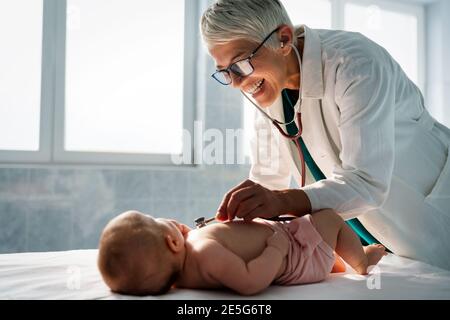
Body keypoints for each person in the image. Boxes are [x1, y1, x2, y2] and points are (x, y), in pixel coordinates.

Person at [201, 0, 450, 270]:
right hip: (378, 240)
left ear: (283, 39)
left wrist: (282, 201)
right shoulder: (267, 93)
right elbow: (267, 182)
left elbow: (367, 182)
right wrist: (242, 217)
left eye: (241, 64)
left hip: (431, 211)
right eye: (226, 72)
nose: (237, 83)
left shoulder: (355, 63)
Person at [97, 210, 386, 296]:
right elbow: (250, 281)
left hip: (296, 246)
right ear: (172, 244)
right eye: (156, 219)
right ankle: (361, 259)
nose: (168, 218)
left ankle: (335, 262)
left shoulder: (184, 273)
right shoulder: (202, 250)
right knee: (330, 218)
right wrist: (277, 247)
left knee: (324, 241)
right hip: (295, 251)